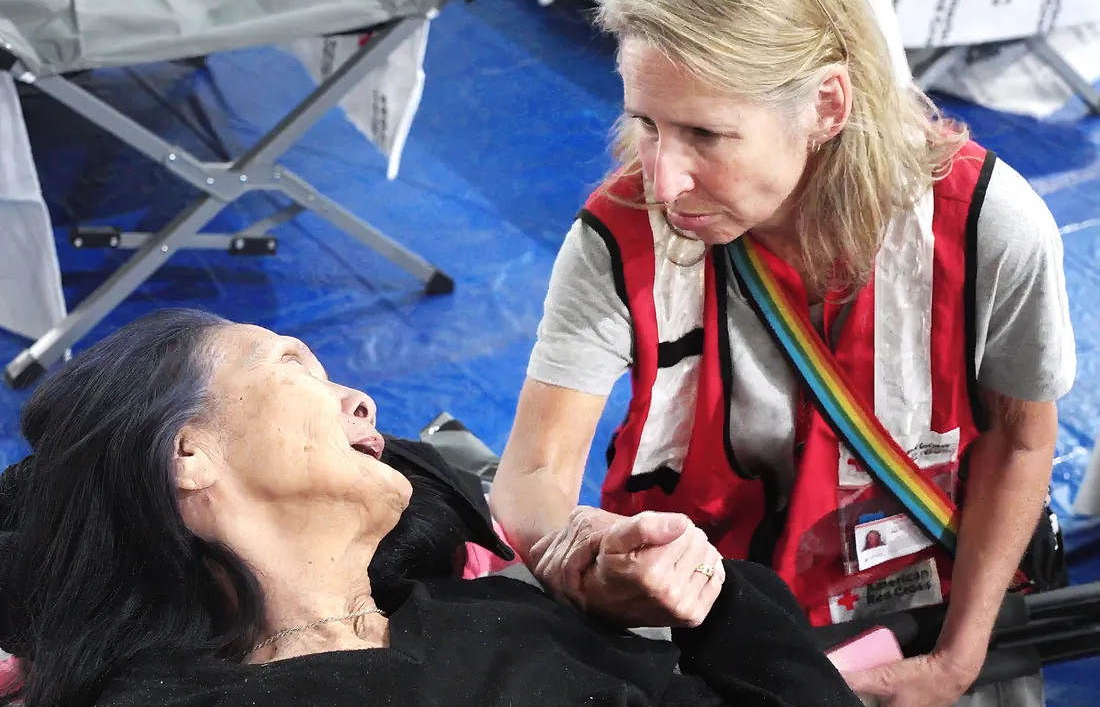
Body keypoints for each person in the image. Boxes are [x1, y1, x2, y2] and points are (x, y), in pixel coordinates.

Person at [488, 0, 1075, 706]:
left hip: (922, 619)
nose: (664, 180)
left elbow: (1019, 444)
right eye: (647, 123)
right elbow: (533, 471)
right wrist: (583, 559)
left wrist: (958, 657)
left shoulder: (986, 226)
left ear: (827, 105)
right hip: (707, 631)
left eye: (706, 134)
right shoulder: (621, 235)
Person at [0, 308, 863, 707]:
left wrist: (710, 600)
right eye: (295, 365)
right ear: (187, 452)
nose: (363, 400)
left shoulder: (493, 610)